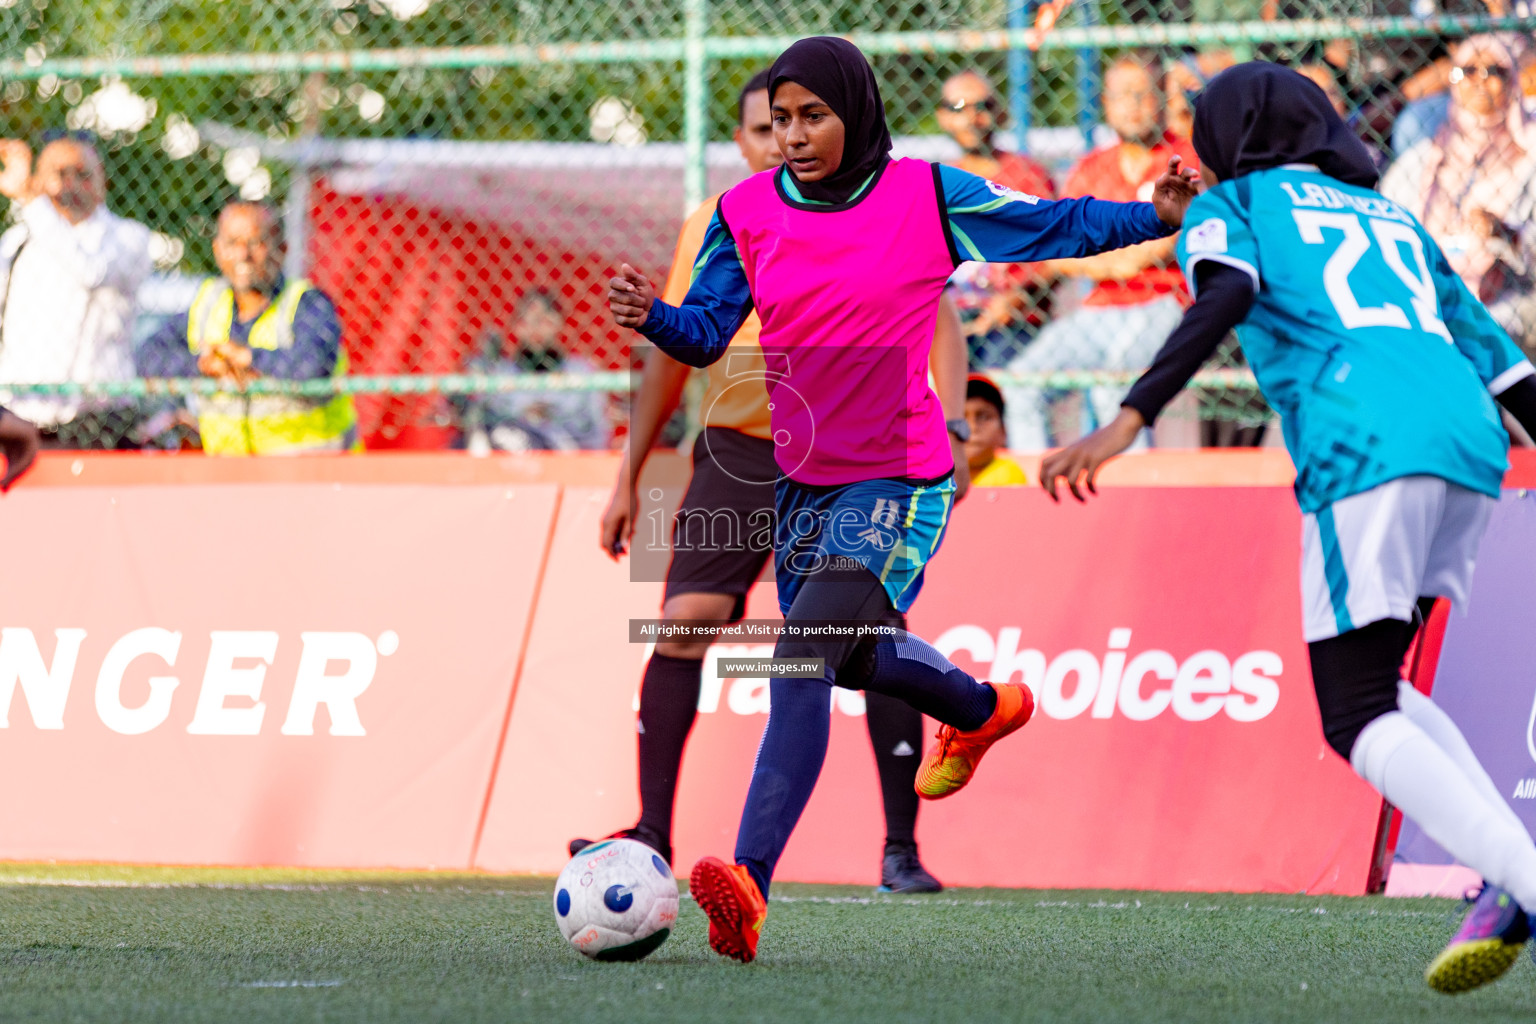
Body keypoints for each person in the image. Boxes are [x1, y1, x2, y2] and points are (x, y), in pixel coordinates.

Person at [608, 36, 1198, 963]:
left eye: (814, 116)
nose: (795, 136)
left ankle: (751, 884)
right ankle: (978, 707)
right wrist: (655, 318)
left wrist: (1149, 216)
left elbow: (1052, 224)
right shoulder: (744, 211)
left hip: (897, 477)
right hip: (800, 477)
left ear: (858, 110)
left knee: (800, 660)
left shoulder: (927, 193)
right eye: (783, 120)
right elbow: (708, 329)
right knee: (849, 658)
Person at [1039, 62, 1536, 996]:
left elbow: (1222, 297)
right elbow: (1507, 370)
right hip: (1472, 443)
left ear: (1230, 135)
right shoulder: (1393, 217)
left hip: (1366, 441)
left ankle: (1526, 880)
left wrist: (1130, 415)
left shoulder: (1236, 206)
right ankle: (1511, 880)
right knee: (1377, 681)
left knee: (1353, 716)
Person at [572, 69, 973, 893]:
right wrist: (628, 476)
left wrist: (957, 425)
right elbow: (672, 349)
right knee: (682, 623)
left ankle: (901, 848)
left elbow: (939, 317)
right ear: (744, 140)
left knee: (858, 637)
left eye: (797, 121)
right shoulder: (718, 224)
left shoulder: (876, 206)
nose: (780, 141)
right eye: (763, 128)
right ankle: (652, 831)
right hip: (733, 448)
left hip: (854, 458)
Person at [1004, 53, 1199, 451]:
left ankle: (1129, 500)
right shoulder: (1092, 168)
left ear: (1162, 97)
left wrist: (1097, 255)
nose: (1133, 105)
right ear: (1106, 103)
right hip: (1098, 308)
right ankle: (1042, 497)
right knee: (1018, 383)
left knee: (1116, 385)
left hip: (1165, 301)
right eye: (1122, 95)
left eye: (1142, 94)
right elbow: (1059, 246)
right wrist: (1119, 257)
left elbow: (1159, 250)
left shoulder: (1185, 158)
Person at [136, 201, 360, 455]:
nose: (243, 254)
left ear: (282, 249)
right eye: (232, 243)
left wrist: (248, 359)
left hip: (314, 473)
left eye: (256, 243)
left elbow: (312, 368)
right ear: (218, 250)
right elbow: (148, 355)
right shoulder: (208, 304)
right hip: (232, 476)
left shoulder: (308, 304)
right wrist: (202, 365)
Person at [1381, 35, 1536, 357]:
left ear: (1513, 80)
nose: (1479, 81)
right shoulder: (1425, 156)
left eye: (1494, 70)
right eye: (1467, 70)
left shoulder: (1529, 157)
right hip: (1425, 291)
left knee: (1482, 334)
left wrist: (1505, 234)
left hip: (1507, 295)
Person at [0, 135, 151, 448]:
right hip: (22, 419)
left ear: (102, 183)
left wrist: (30, 200)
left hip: (98, 422)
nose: (71, 185)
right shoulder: (16, 242)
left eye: (82, 175)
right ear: (40, 181)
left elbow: (91, 272)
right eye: (59, 174)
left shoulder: (127, 238)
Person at [935, 70, 1058, 368]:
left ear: (999, 113)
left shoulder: (1027, 177)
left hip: (1014, 320)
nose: (972, 117)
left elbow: (1054, 258)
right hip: (954, 313)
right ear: (943, 117)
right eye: (959, 108)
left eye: (983, 106)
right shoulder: (938, 182)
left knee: (995, 374)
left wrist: (1015, 299)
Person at [456, 288, 608, 452]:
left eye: (544, 321)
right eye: (527, 321)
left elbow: (597, 430)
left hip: (565, 452)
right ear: (515, 327)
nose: (536, 329)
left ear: (559, 324)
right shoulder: (501, 372)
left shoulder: (581, 370)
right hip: (511, 452)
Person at [963, 374, 1027, 487]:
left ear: (1003, 431)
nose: (973, 427)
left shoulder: (1009, 474)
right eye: (961, 418)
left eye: (984, 417)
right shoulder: (932, 475)